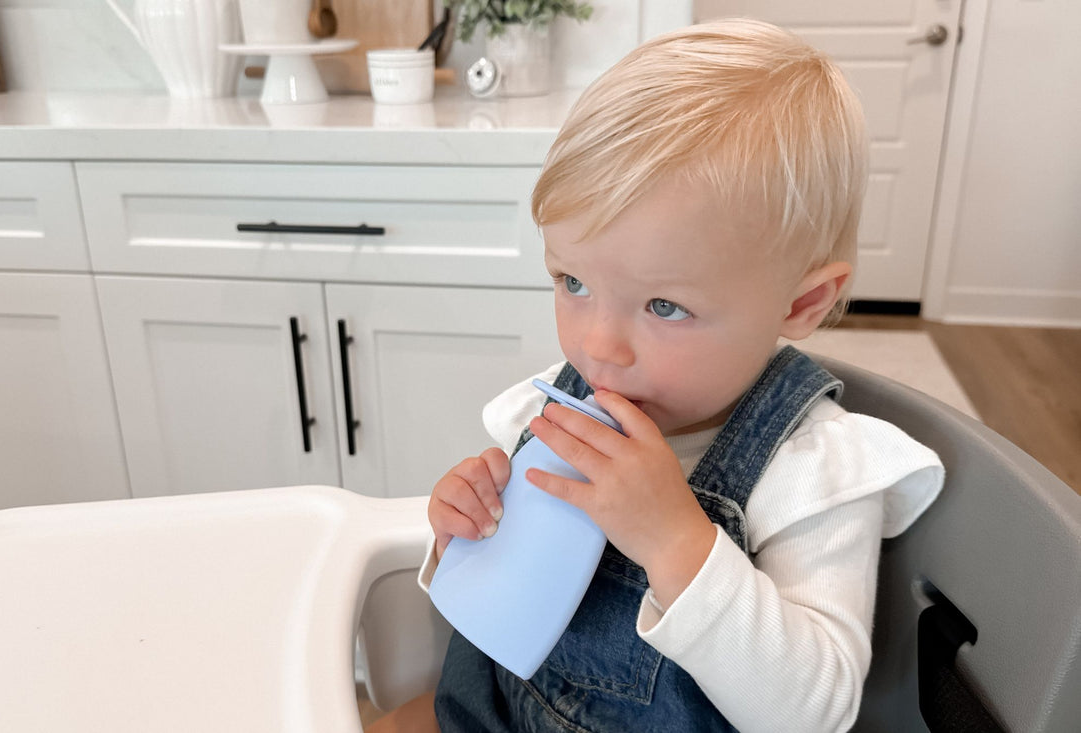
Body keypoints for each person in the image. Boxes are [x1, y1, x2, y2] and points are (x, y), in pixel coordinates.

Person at [367, 18, 943, 733]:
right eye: (572, 280)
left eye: (664, 305)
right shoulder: (557, 402)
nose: (598, 346)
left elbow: (814, 711)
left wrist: (677, 542)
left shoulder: (815, 472)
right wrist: (468, 528)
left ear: (802, 303)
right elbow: (500, 608)